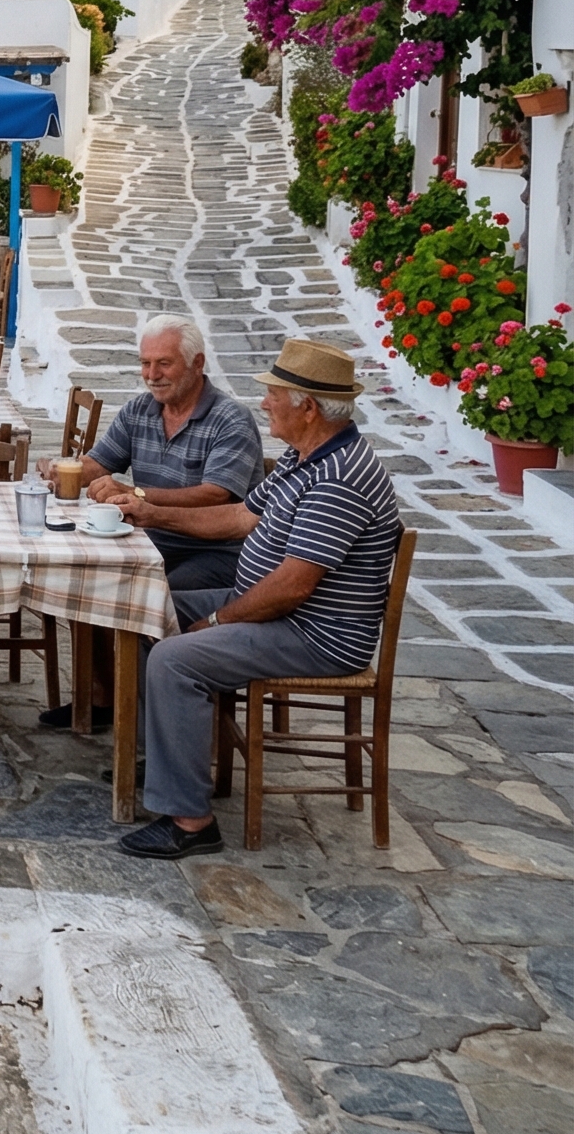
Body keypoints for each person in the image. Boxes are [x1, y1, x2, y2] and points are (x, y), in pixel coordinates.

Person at [115, 338, 402, 860]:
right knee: (139, 608)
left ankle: (190, 821)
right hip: (279, 610)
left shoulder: (339, 477)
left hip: (316, 635)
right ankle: (166, 757)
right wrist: (150, 512)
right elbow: (240, 517)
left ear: (308, 407)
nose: (265, 403)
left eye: (274, 394)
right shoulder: (305, 457)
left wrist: (218, 619)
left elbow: (293, 585)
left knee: (175, 657)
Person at [45, 314, 266, 729]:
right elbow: (99, 462)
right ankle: (102, 699)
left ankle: (155, 727)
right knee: (88, 576)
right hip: (154, 539)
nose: (151, 375)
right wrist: (66, 470)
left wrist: (137, 495)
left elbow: (217, 495)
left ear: (197, 364)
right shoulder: (141, 410)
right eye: (145, 364)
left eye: (163, 364)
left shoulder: (230, 419)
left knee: (146, 599)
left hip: (216, 550)